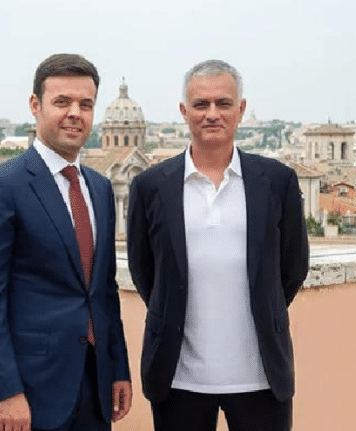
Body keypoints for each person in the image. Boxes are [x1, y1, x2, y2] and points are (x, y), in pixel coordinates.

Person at [127, 59, 309, 431]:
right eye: (201, 104)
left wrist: (265, 307)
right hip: (178, 379)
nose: (212, 114)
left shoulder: (278, 181)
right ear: (184, 111)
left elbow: (292, 268)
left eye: (223, 103)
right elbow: (144, 272)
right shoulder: (150, 186)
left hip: (262, 377)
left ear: (241, 109)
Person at [0, 53, 132, 431]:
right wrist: (5, 391)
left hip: (94, 385)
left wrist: (117, 367)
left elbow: (103, 291)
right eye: (62, 102)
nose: (75, 113)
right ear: (35, 105)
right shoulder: (0, 186)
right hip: (27, 391)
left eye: (85, 104)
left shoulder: (100, 188)